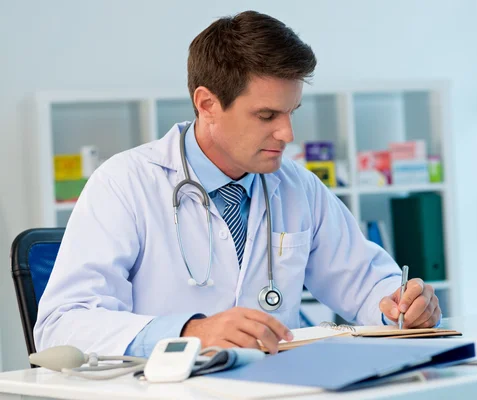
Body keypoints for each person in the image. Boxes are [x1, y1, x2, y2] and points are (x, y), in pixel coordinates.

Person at [34, 10, 441, 357]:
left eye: (291, 112)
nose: (287, 134)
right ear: (207, 104)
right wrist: (191, 332)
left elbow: (364, 283)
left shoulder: (297, 186)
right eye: (267, 116)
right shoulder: (125, 184)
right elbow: (62, 324)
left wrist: (400, 304)